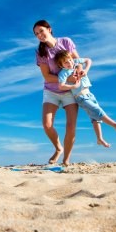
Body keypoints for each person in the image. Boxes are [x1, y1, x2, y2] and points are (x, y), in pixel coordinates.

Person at [54, 50, 116, 148]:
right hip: (80, 97)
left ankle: (99, 139)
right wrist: (73, 86)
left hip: (89, 94)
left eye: (70, 60)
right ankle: (115, 125)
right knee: (97, 110)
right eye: (66, 62)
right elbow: (61, 86)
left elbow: (88, 60)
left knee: (95, 118)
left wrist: (86, 70)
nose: (70, 63)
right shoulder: (63, 73)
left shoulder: (76, 62)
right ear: (61, 65)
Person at [34, 19, 81, 166]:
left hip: (70, 91)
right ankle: (58, 148)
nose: (39, 35)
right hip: (51, 91)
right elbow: (47, 76)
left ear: (49, 29)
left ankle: (66, 159)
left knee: (71, 126)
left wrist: (79, 74)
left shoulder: (65, 42)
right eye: (36, 34)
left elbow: (77, 61)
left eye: (41, 31)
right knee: (47, 125)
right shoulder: (41, 52)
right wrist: (65, 79)